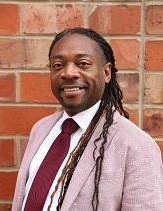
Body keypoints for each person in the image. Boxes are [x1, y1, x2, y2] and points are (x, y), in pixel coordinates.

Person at [12, 27, 163, 211]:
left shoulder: (137, 146)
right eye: (58, 65)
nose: (68, 73)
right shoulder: (40, 130)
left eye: (82, 63)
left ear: (106, 73)